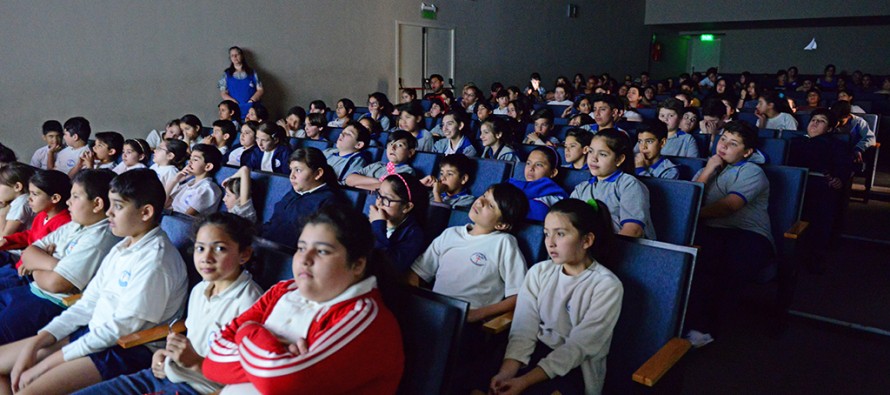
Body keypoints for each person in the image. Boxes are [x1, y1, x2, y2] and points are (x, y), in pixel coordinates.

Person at [0, 169, 187, 395]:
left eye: (118, 206)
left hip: (126, 348)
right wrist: (37, 342)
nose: (108, 212)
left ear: (146, 212)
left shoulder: (156, 261)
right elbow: (87, 303)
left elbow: (120, 328)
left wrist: (47, 363)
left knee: (26, 388)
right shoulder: (122, 247)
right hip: (93, 333)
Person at [203, 205, 405, 394]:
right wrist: (274, 356)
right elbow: (212, 360)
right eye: (301, 248)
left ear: (357, 265)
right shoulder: (283, 290)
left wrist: (247, 331)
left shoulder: (364, 316)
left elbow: (278, 379)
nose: (305, 259)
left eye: (322, 251)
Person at [74, 213, 263, 395]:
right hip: (167, 373)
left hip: (199, 388)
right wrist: (165, 354)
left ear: (244, 254)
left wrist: (196, 363)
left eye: (220, 249)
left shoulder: (250, 304)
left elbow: (247, 378)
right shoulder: (201, 289)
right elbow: (194, 343)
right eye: (200, 248)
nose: (206, 258)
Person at [489, 198, 623, 395]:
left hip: (575, 366)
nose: (550, 243)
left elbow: (579, 347)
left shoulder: (606, 285)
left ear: (587, 240)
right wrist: (507, 372)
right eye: (546, 233)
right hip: (533, 351)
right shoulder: (539, 272)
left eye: (560, 234)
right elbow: (524, 328)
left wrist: (524, 382)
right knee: (487, 383)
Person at [0, 170, 118, 345]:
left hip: (51, 303)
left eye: (75, 197)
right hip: (33, 290)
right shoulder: (75, 224)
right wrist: (57, 265)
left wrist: (36, 265)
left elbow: (56, 284)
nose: (68, 202)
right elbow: (29, 252)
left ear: (97, 204)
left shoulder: (99, 238)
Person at [686, 121, 773, 343]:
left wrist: (691, 214)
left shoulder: (752, 172)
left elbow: (728, 207)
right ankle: (682, 322)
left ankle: (705, 328)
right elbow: (689, 197)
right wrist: (708, 170)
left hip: (748, 234)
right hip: (711, 231)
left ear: (747, 152)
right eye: (723, 139)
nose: (723, 145)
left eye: (733, 143)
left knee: (720, 262)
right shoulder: (706, 169)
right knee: (687, 258)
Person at [571, 129, 655, 239]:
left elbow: (633, 230)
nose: (593, 158)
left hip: (621, 247)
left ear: (619, 159)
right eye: (591, 151)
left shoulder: (629, 184)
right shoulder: (581, 188)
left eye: (602, 154)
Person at [0, 170, 72, 288]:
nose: (29, 199)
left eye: (35, 194)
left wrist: (31, 263)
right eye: (30, 193)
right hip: (22, 261)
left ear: (55, 198)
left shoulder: (65, 224)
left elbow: (53, 255)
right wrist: (8, 241)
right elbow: (30, 235)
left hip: (29, 272)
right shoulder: (42, 214)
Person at [261, 148, 344, 247]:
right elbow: (274, 223)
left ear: (318, 173)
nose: (291, 176)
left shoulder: (329, 202)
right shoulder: (294, 193)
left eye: (298, 170)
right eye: (291, 170)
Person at [370, 173, 427, 273]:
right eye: (379, 195)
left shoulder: (413, 234)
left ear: (407, 207)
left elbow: (389, 266)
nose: (379, 203)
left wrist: (377, 226)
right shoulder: (371, 221)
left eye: (387, 199)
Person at [345, 130, 418, 191]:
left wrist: (358, 185)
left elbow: (388, 189)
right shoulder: (377, 165)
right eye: (391, 144)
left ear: (410, 152)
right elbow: (349, 179)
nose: (393, 148)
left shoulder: (407, 171)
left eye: (400, 145)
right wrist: (377, 181)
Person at [509, 147, 568, 222]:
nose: (531, 168)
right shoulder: (515, 185)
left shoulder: (554, 196)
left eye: (538, 165)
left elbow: (539, 212)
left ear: (553, 172)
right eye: (528, 163)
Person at [166, 144, 223, 217]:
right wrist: (174, 180)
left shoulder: (208, 189)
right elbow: (165, 203)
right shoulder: (191, 182)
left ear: (208, 166)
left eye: (195, 159)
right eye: (190, 158)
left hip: (179, 221)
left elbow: (185, 218)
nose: (189, 162)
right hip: (171, 218)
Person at [218, 46, 263, 119]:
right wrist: (233, 102)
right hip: (235, 109)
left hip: (252, 110)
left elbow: (260, 90)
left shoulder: (252, 73)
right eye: (232, 55)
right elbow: (223, 93)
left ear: (242, 56)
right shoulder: (226, 74)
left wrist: (251, 101)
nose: (235, 57)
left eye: (237, 54)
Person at [0, 164, 36, 240]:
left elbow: (4, 237)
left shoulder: (21, 203)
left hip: (18, 246)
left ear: (17, 187)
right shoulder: (20, 200)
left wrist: (2, 212)